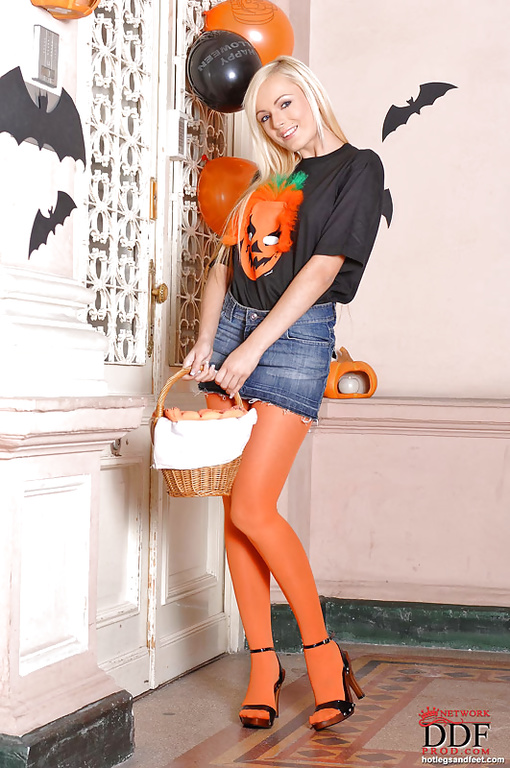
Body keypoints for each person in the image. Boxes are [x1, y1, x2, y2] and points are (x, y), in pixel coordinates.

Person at [182, 56, 384, 731]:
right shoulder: (269, 181)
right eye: (266, 116)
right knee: (234, 513)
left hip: (292, 340)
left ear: (311, 93)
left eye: (286, 104)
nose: (279, 122)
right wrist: (208, 342)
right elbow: (221, 270)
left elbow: (323, 269)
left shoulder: (359, 169)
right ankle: (264, 666)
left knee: (253, 504)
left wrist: (251, 349)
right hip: (231, 336)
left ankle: (322, 656)